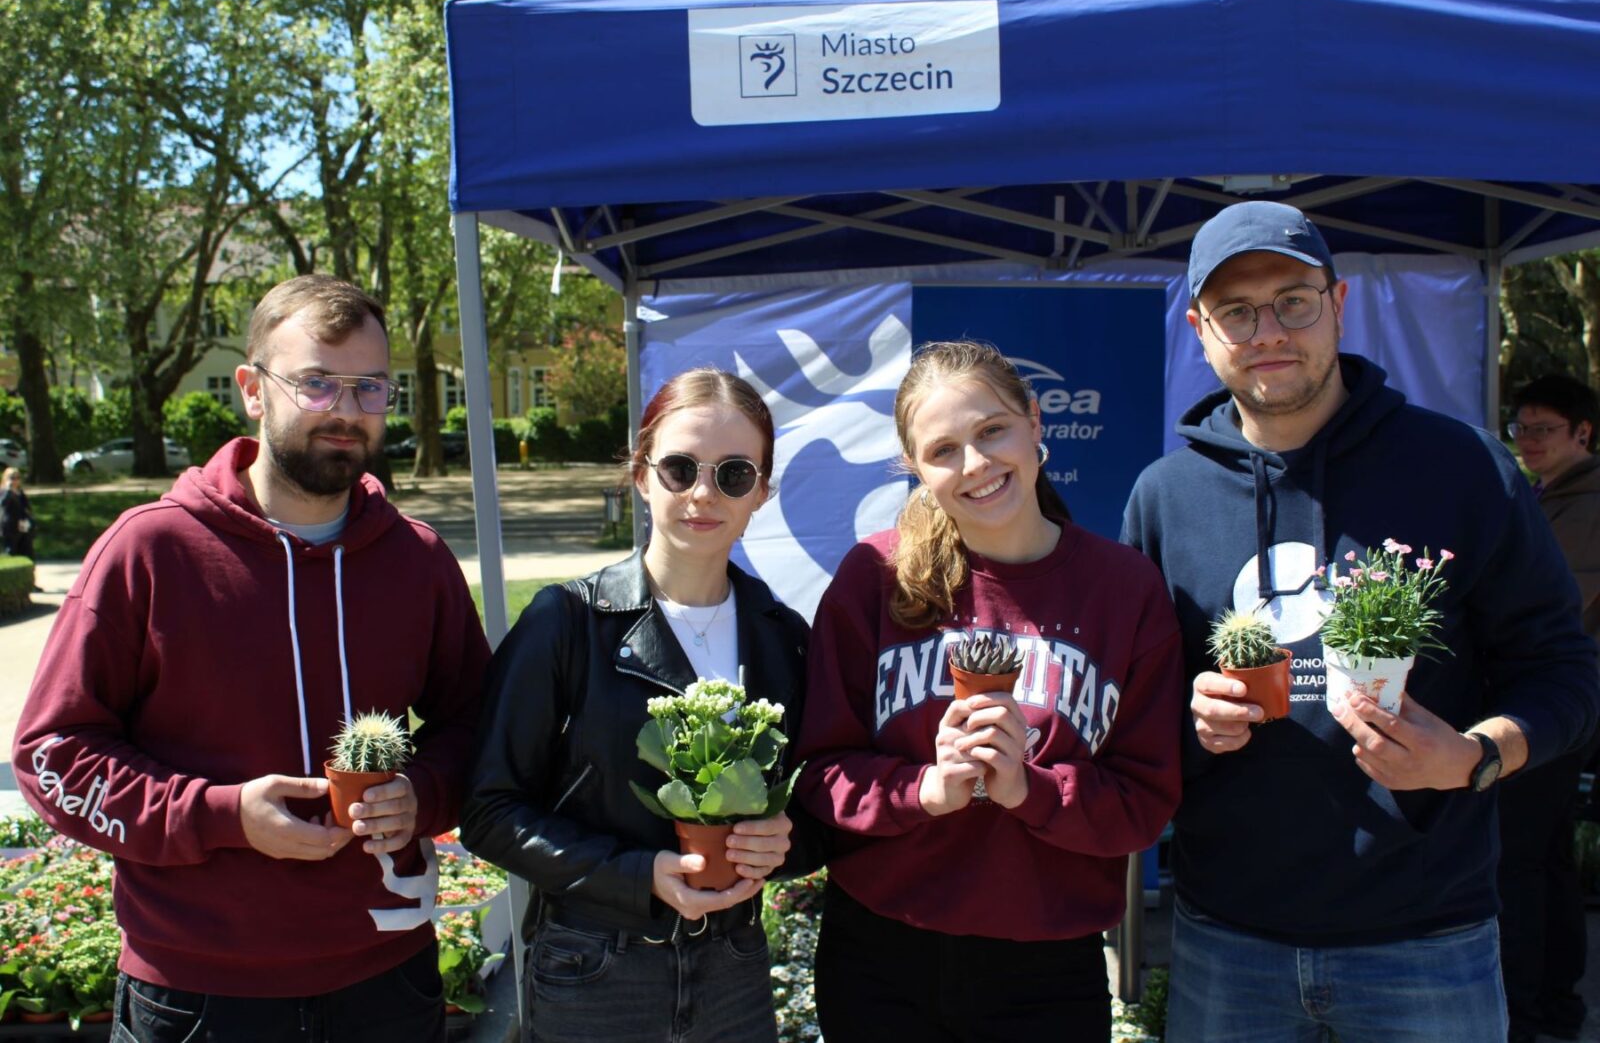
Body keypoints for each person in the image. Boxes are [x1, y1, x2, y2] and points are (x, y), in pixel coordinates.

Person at [1120, 201, 1600, 1043]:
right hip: (1229, 943)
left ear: (1338, 302)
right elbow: (1132, 709)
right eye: (1237, 310)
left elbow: (1564, 671)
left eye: (1293, 301)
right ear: (1200, 328)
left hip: (1427, 944)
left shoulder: (1460, 469)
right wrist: (1189, 722)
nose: (1268, 329)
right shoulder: (1166, 497)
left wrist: (1476, 756)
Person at [13, 274, 490, 1042]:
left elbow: (479, 722)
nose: (346, 409)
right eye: (316, 382)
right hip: (198, 993)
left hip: (387, 981)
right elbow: (52, 755)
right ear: (251, 389)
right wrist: (221, 814)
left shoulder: (417, 559)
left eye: (372, 387)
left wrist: (423, 789)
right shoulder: (149, 551)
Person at [793, 341, 1184, 1042]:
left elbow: (1145, 802)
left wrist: (1029, 790)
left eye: (992, 430)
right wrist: (925, 789)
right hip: (881, 955)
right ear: (913, 466)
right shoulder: (874, 576)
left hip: (1046, 967)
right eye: (943, 449)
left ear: (1036, 424)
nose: (975, 464)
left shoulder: (1125, 589)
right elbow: (820, 772)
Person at [460, 368, 820, 1043]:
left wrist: (786, 839)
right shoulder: (567, 622)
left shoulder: (783, 638)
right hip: (594, 969)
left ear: (762, 493)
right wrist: (636, 875)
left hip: (733, 969)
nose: (703, 493)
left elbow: (817, 801)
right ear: (640, 473)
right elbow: (489, 809)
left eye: (734, 474)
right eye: (680, 468)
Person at [1498, 372, 1600, 1041]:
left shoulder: (1585, 507)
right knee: (1548, 857)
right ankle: (1556, 1002)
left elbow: (1540, 609)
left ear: (1584, 434)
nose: (1528, 441)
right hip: (1559, 707)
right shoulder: (1551, 496)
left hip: (1552, 708)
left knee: (1522, 860)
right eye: (1521, 427)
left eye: (1544, 428)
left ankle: (1528, 1011)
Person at [1, 466, 35, 559]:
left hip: (22, 524)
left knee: (27, 551)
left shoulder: (20, 492)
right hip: (10, 526)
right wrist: (8, 490)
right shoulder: (4, 492)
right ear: (6, 478)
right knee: (12, 550)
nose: (15, 481)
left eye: (17, 478)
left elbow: (26, 507)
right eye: (12, 478)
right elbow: (3, 503)